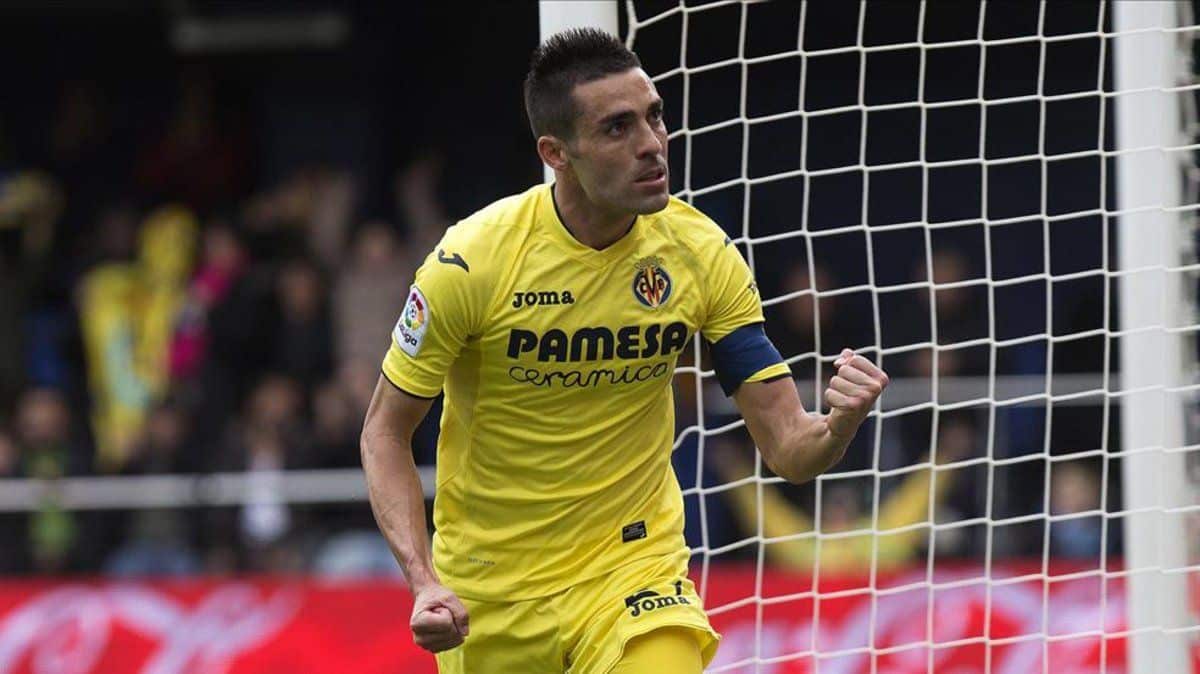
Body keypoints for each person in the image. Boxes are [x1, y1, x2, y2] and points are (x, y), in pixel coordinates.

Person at [359, 29, 889, 674]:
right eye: (616, 128)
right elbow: (385, 432)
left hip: (633, 572)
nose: (652, 144)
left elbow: (788, 449)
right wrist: (423, 580)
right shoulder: (471, 263)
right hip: (490, 591)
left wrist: (838, 424)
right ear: (556, 152)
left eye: (655, 116)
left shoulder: (700, 254)